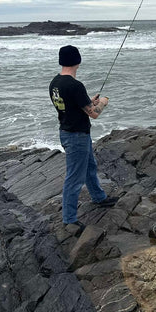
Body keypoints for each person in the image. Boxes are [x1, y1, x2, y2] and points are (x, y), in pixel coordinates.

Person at [49, 45, 116, 235]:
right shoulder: (74, 85)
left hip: (68, 131)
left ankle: (99, 197)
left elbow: (70, 105)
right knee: (74, 178)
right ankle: (69, 219)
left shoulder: (55, 83)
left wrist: (88, 102)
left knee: (89, 166)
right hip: (76, 135)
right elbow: (94, 114)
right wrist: (101, 103)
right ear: (77, 61)